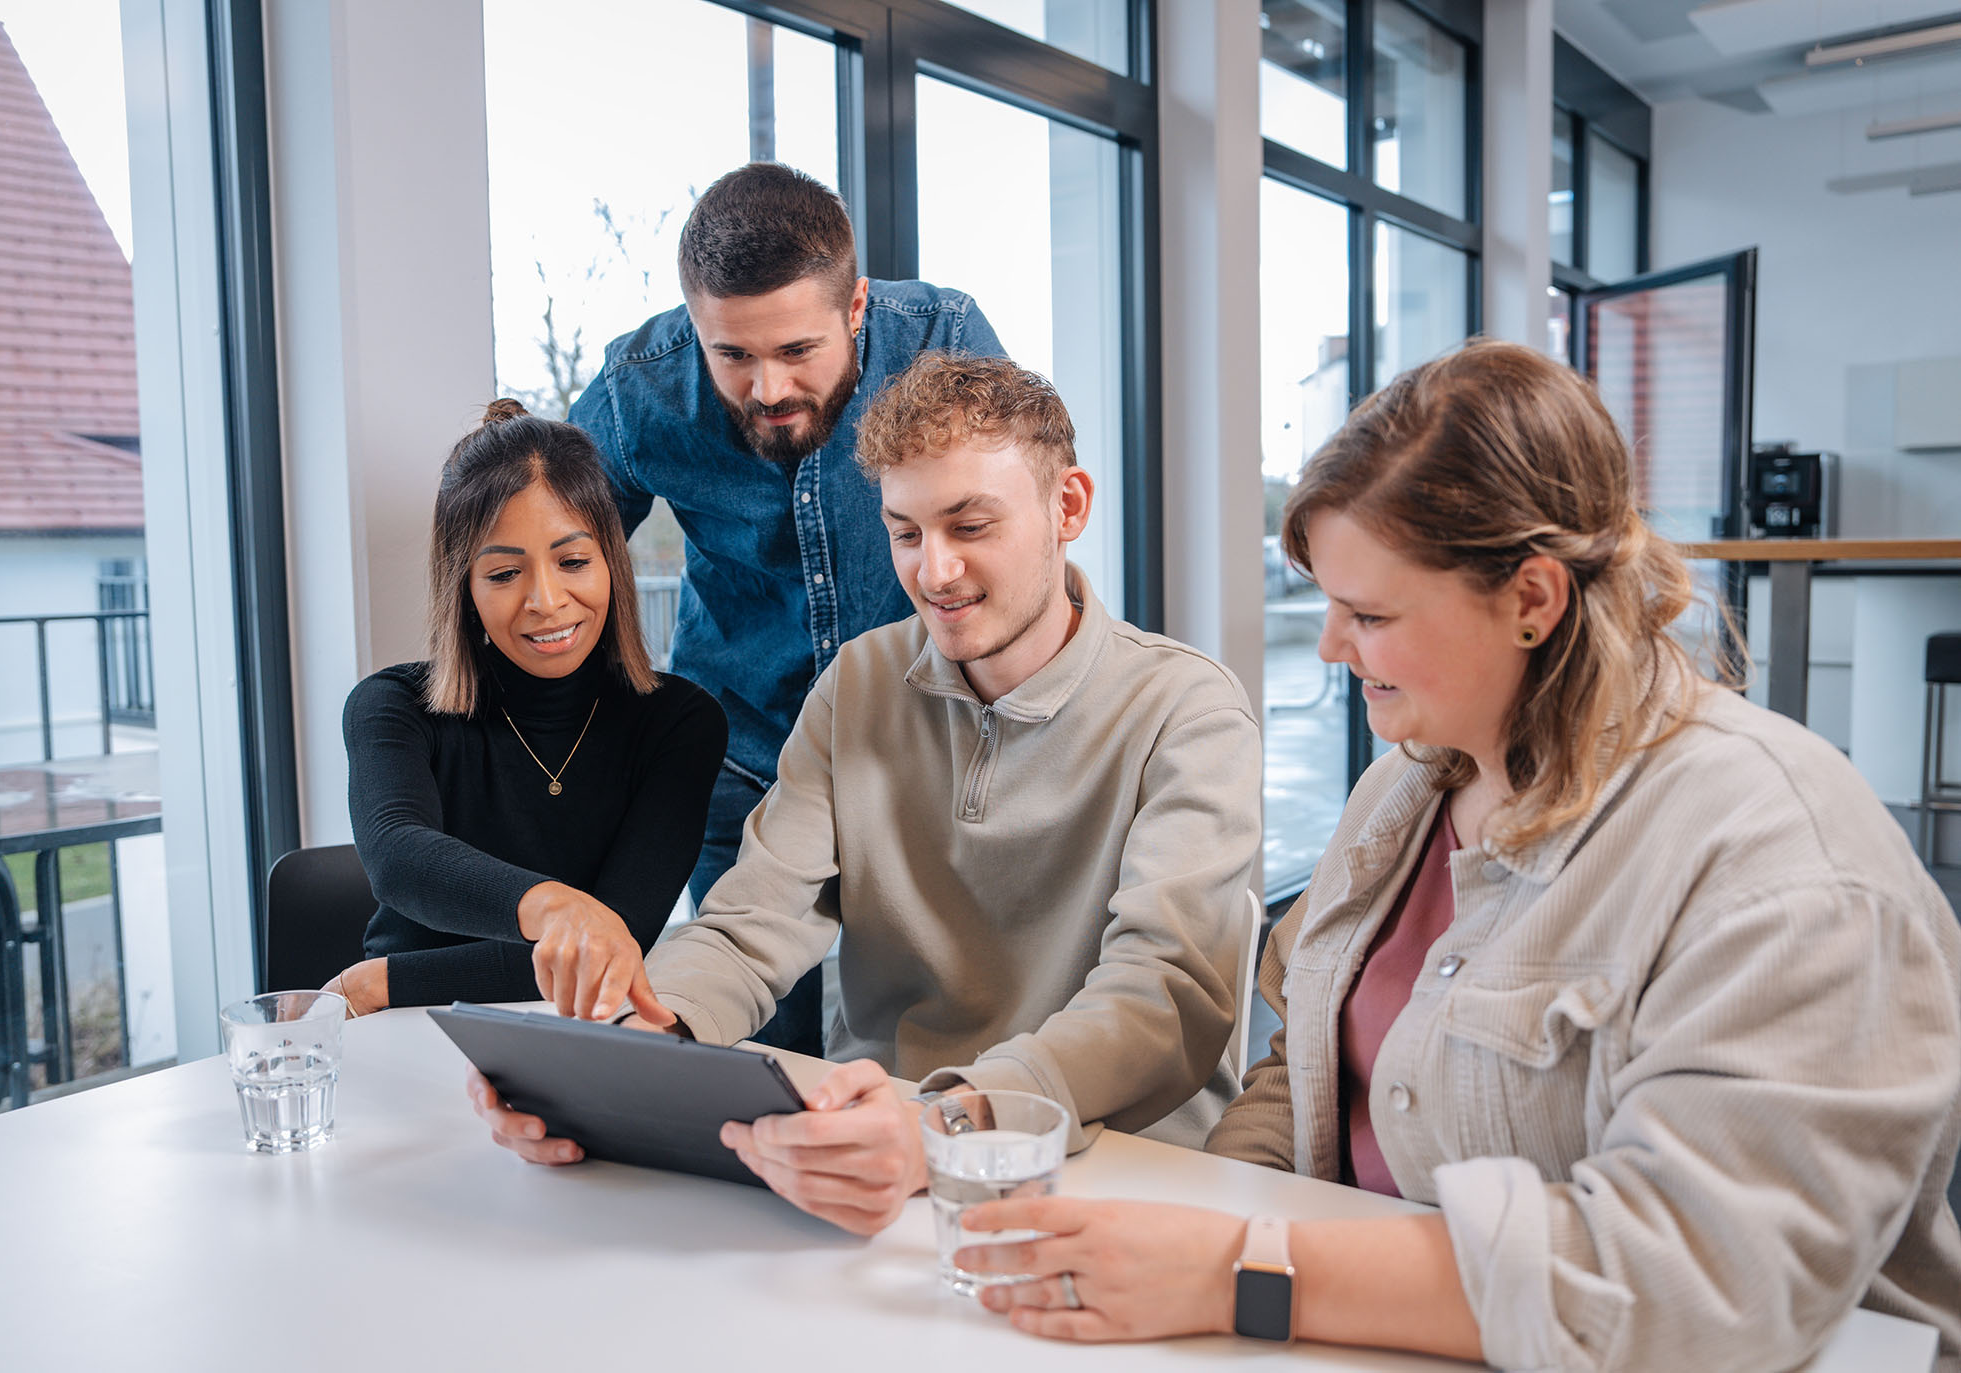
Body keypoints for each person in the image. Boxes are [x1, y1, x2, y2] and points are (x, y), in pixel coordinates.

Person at [951, 339, 1961, 1372]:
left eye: (1371, 614)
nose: (1332, 646)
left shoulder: (1781, 860)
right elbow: (1298, 1070)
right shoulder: (1401, 789)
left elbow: (1698, 1285)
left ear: (1532, 599)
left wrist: (1238, 1269)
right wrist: (1202, 1256)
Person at [471, 353, 1262, 1235]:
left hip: (1120, 1182)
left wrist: (950, 1121)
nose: (935, 571)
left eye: (970, 525)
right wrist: (625, 1050)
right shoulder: (860, 685)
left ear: (1066, 506)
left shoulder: (1187, 709)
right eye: (906, 531)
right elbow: (750, 926)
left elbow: (1164, 997)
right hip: (880, 1169)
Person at [569, 161, 1005, 1055]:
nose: (766, 388)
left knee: (936, 1047)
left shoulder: (943, 338)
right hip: (741, 760)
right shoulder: (638, 389)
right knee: (765, 1047)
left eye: (796, 351)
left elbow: (1012, 531)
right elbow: (560, 558)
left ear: (854, 309)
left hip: (924, 752)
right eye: (732, 354)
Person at [326, 400, 727, 1017]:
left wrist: (385, 982)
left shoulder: (680, 723)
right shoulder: (392, 706)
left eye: (572, 562)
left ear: (611, 564)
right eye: (505, 573)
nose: (545, 600)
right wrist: (558, 907)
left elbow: (609, 952)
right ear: (464, 585)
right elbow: (398, 856)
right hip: (404, 1034)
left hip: (558, 1034)